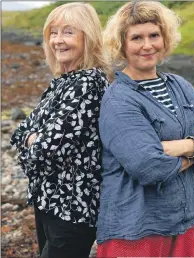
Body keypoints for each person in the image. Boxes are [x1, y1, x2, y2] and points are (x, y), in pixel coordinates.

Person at [96, 1, 194, 257]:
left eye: (154, 35)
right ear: (122, 44)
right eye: (136, 38)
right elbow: (147, 166)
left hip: (182, 223)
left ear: (164, 38)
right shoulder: (118, 99)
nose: (147, 45)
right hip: (135, 231)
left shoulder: (181, 85)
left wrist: (180, 146)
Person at [10, 2, 109, 258]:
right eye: (53, 32)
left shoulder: (87, 84)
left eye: (68, 32)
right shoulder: (63, 82)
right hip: (49, 201)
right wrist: (32, 138)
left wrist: (33, 140)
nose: (57, 40)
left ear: (88, 38)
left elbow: (44, 151)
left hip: (72, 209)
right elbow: (20, 132)